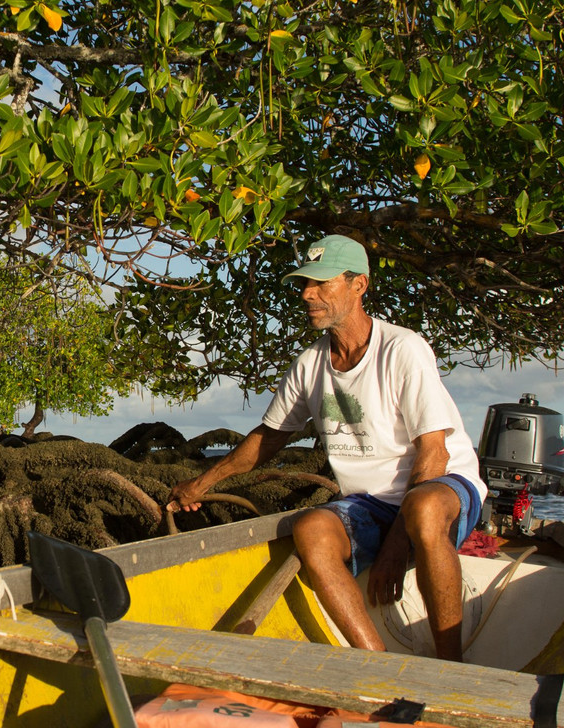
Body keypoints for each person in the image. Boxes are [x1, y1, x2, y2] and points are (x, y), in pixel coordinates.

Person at [167, 234, 487, 662]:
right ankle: (377, 667)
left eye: (321, 283)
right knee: (310, 530)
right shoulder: (308, 365)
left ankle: (451, 668)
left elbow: (434, 454)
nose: (307, 294)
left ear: (359, 285)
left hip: (440, 486)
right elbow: (269, 437)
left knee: (423, 511)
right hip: (371, 502)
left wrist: (396, 545)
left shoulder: (403, 350)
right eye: (304, 284)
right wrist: (201, 483)